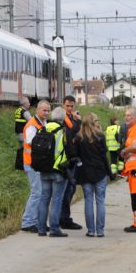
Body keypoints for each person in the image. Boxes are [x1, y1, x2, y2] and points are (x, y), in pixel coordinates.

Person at [76, 113, 115, 237]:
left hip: (86, 173)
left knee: (88, 200)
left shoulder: (79, 137)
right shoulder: (100, 136)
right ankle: (100, 230)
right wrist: (110, 173)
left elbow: (76, 156)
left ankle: (91, 230)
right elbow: (104, 157)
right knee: (100, 201)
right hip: (100, 172)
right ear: (94, 122)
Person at [37, 107, 72, 237]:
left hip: (44, 169)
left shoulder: (43, 128)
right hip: (58, 170)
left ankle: (41, 228)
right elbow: (69, 150)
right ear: (63, 119)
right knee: (56, 200)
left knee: (44, 199)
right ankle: (54, 229)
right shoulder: (63, 131)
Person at [20, 100, 51, 232]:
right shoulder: (32, 125)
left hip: (38, 163)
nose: (46, 113)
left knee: (40, 193)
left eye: (48, 110)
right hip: (31, 163)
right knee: (36, 193)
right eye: (44, 110)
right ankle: (28, 222)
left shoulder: (43, 123)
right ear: (37, 110)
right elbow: (32, 142)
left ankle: (37, 221)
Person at [59, 95, 83, 231]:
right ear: (63, 105)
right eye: (67, 106)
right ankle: (64, 219)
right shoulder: (62, 118)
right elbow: (71, 133)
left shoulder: (72, 118)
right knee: (67, 190)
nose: (69, 108)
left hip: (73, 157)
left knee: (70, 189)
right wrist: (78, 122)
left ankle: (64, 218)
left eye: (71, 106)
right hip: (66, 159)